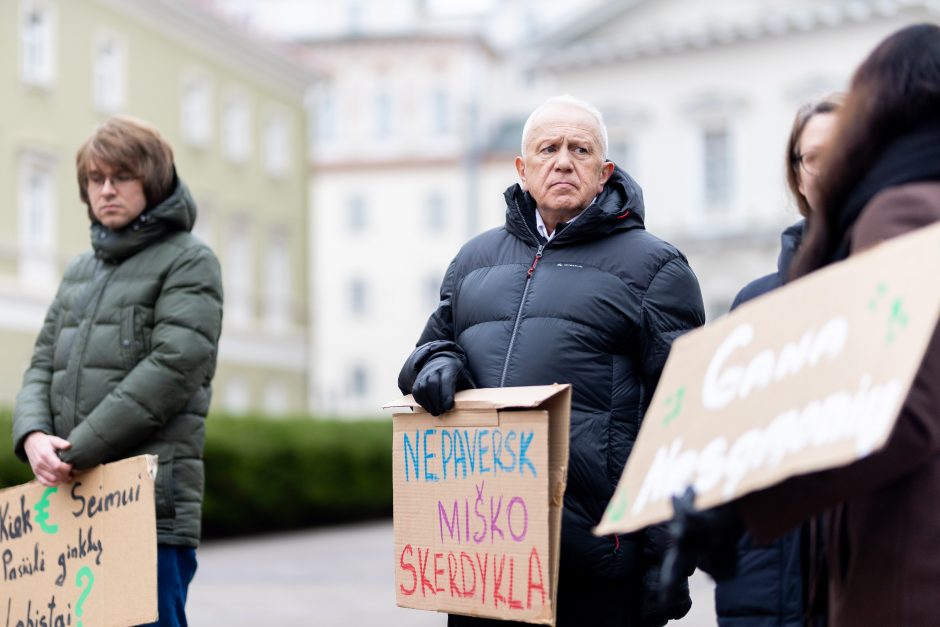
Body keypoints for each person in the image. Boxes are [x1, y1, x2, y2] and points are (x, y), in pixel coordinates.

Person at [662, 23, 940, 627]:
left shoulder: (905, 211)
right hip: (781, 585)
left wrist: (740, 505)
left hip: (901, 577)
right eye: (810, 157)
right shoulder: (758, 300)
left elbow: (904, 415)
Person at [398, 95, 706, 626]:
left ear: (604, 169)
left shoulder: (655, 268)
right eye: (548, 148)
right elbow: (430, 347)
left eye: (579, 148)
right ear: (523, 168)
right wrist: (435, 364)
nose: (562, 161)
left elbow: (684, 418)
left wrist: (668, 560)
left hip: (597, 563)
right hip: (485, 557)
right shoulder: (474, 261)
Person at [12, 116, 223, 627]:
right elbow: (41, 363)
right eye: (94, 179)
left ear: (151, 181)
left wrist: (74, 450)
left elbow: (173, 368)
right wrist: (34, 436)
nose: (105, 190)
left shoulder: (190, 261)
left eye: (120, 177)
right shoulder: (79, 271)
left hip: (146, 511)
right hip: (67, 501)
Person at [718, 95, 842, 627]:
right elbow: (722, 447)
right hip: (766, 587)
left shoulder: (913, 285)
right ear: (797, 175)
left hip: (870, 577)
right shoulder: (753, 304)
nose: (830, 168)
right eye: (812, 156)